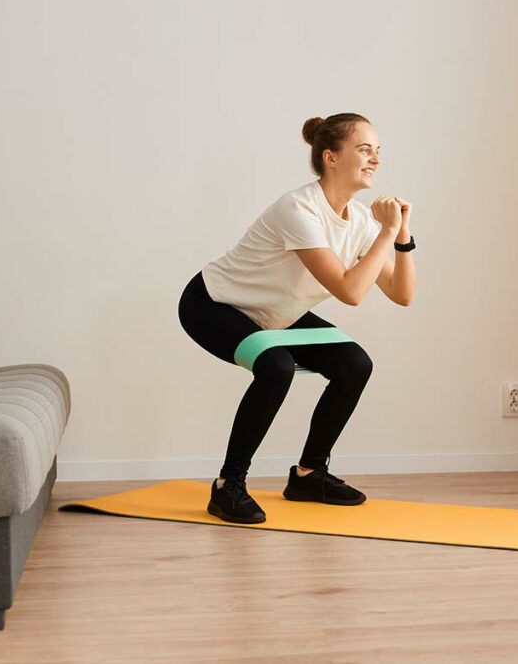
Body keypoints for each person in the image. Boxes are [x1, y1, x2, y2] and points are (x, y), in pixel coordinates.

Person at [177, 113, 417, 524]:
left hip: (275, 313)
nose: (375, 158)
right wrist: (384, 231)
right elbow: (350, 291)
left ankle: (309, 475)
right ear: (331, 157)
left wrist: (401, 235)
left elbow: (402, 294)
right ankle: (227, 486)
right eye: (364, 149)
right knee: (276, 366)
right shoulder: (299, 209)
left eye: (378, 150)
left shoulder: (359, 220)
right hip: (214, 304)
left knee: (354, 364)